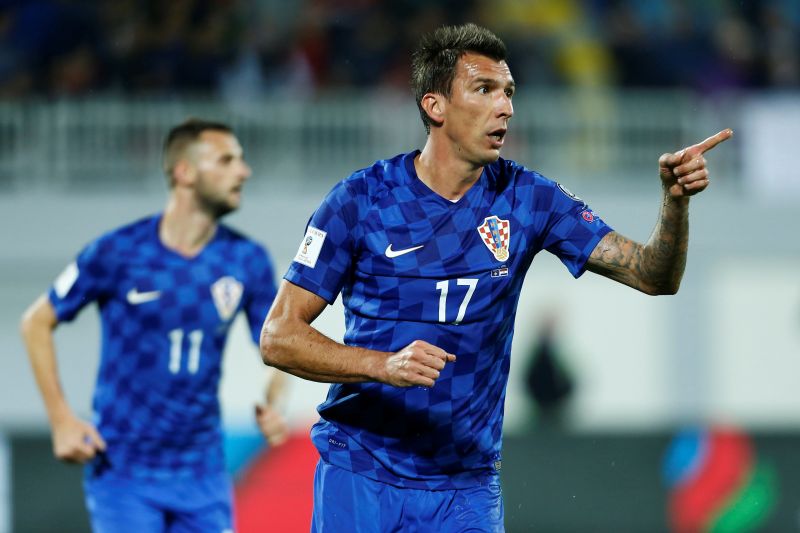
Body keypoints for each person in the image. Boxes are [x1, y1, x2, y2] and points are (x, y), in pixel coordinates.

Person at [260, 23, 731, 532]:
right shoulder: (360, 201)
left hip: (465, 487)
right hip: (361, 472)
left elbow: (652, 276)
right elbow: (279, 336)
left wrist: (675, 204)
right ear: (434, 106)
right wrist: (382, 364)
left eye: (508, 92)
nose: (504, 106)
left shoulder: (528, 198)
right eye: (484, 90)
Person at [20, 118, 289, 533]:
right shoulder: (119, 252)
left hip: (202, 473)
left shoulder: (244, 259)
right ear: (185, 172)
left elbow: (276, 347)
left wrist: (273, 400)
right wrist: (61, 420)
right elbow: (36, 322)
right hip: (124, 472)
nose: (243, 171)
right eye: (227, 160)